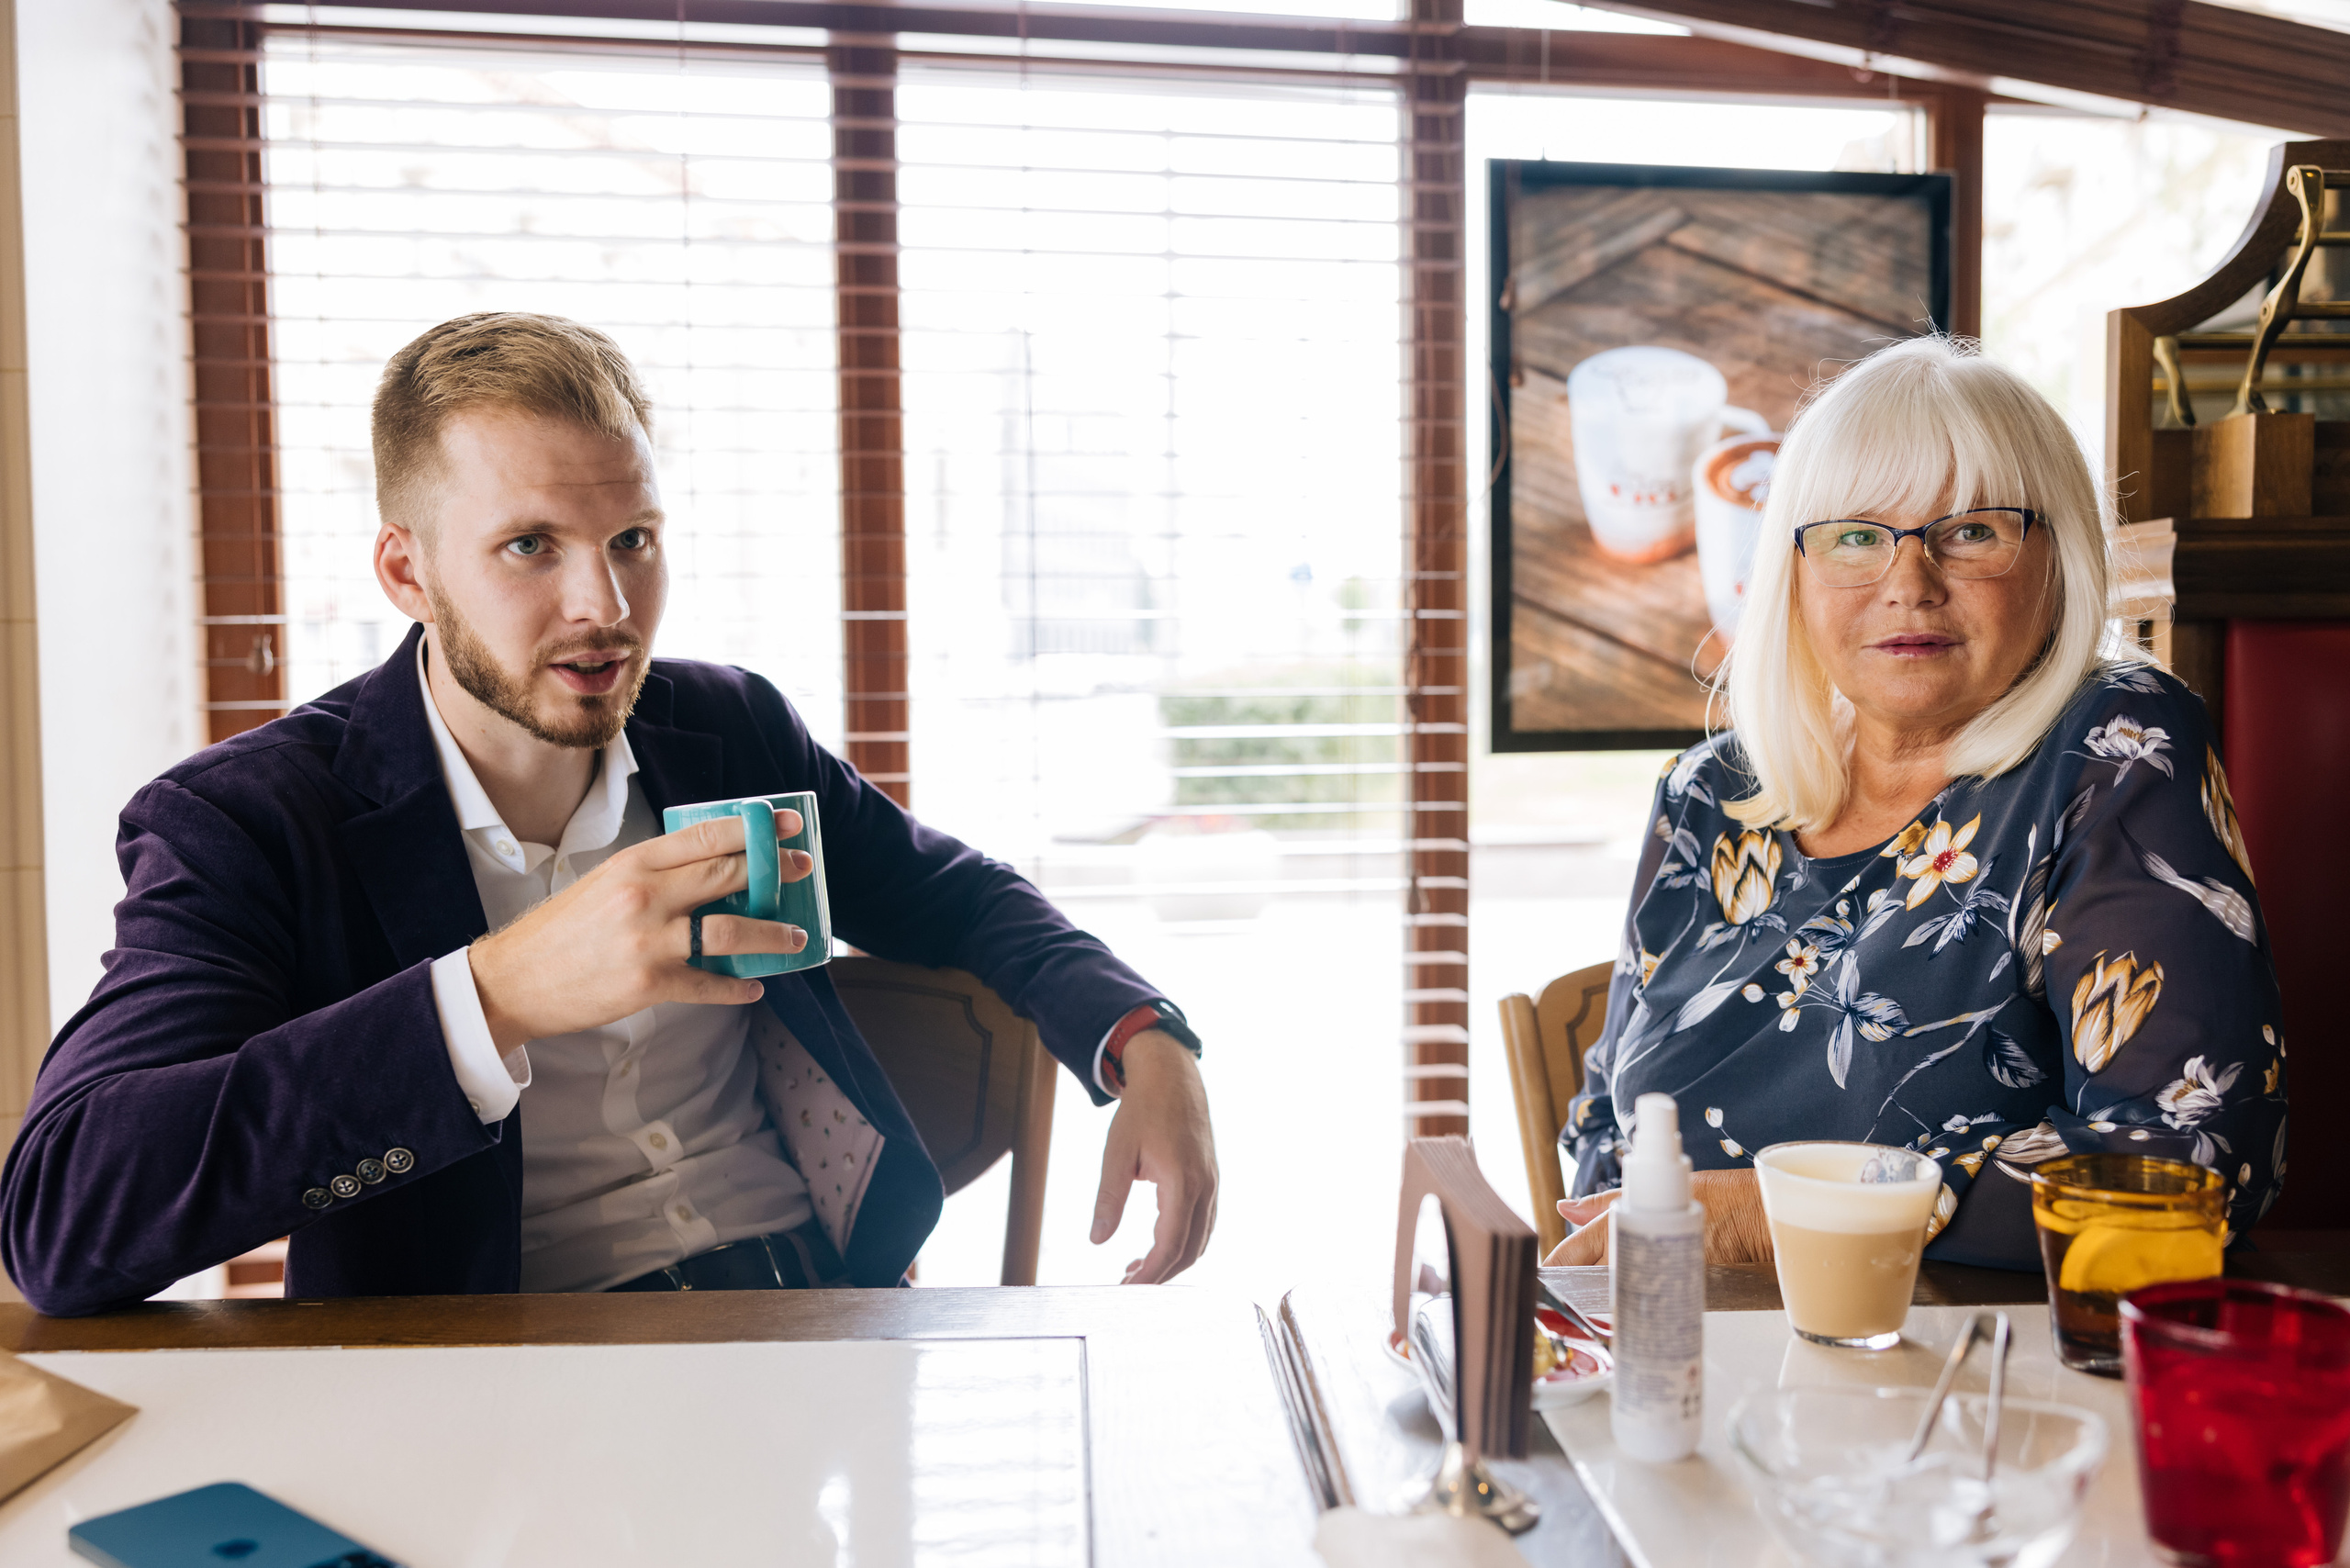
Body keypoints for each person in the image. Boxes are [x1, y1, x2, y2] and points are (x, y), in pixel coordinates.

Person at [1, 313, 1217, 1316]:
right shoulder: (253, 823)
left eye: (633, 539)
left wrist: (1142, 1035)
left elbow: (950, 893)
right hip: (488, 1380)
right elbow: (63, 1220)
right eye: (530, 546)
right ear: (407, 572)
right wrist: (498, 995)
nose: (607, 604)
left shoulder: (732, 729)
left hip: (822, 1313)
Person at [1548, 336, 2284, 1271]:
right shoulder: (1707, 793)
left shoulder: (2115, 750)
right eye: (1855, 535)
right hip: (1686, 1365)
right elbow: (1604, 1133)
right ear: (1794, 572)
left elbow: (2193, 1162)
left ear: (2055, 560)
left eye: (1971, 530)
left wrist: (1770, 1217)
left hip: (1971, 1384)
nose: (1908, 582)